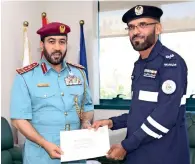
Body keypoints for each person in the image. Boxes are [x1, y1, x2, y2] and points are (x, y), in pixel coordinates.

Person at [92, 5, 190, 164]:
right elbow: (141, 111)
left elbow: (165, 116)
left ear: (158, 28)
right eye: (131, 27)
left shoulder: (171, 63)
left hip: (163, 156)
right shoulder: (140, 64)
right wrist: (112, 122)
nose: (136, 31)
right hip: (138, 155)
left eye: (143, 25)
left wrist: (125, 146)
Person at [10, 21, 94, 164]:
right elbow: (19, 120)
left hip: (75, 156)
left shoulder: (79, 73)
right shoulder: (25, 77)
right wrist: (44, 143)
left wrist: (86, 122)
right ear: (42, 45)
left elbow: (87, 106)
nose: (57, 47)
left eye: (62, 42)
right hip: (41, 156)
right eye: (51, 41)